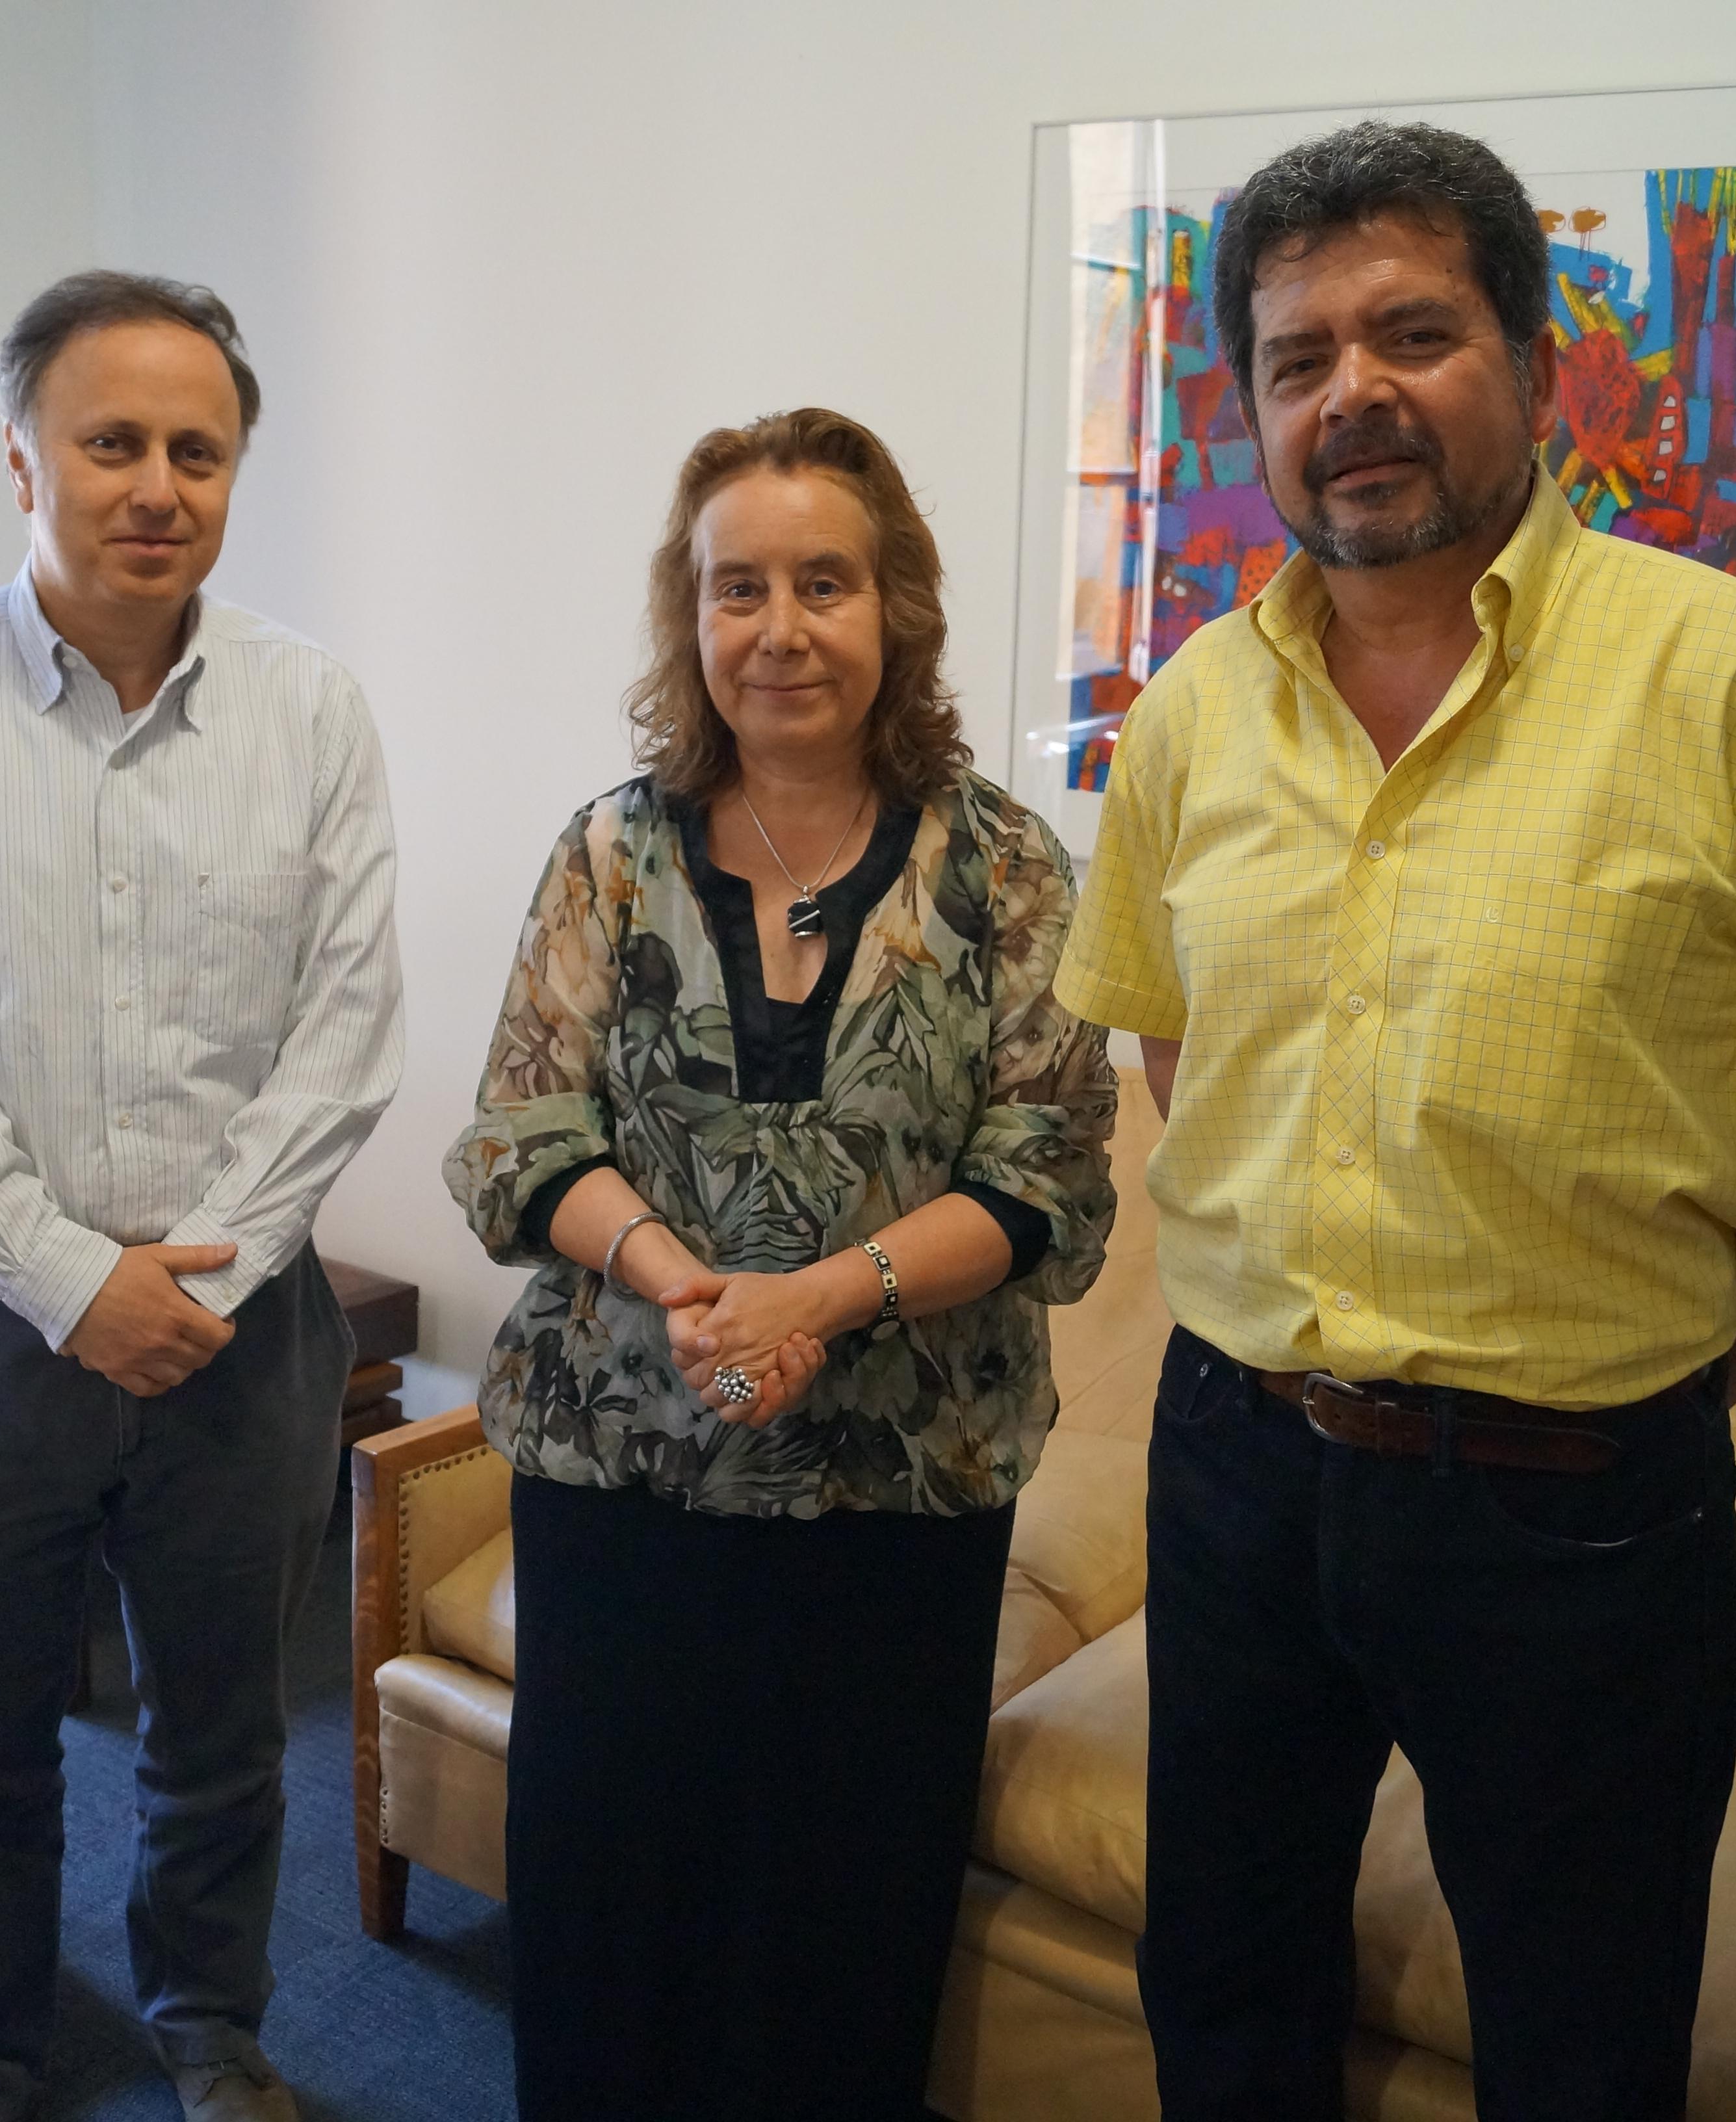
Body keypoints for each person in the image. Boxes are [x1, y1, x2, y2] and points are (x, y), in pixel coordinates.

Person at [1054, 123, 1736, 2121]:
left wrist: (1684, 1364)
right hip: (1237, 1463)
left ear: (1536, 358)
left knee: (1582, 2048)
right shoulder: (1186, 719)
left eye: (1414, 332)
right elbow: (1187, 1064)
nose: (1357, 395)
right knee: (1223, 1990)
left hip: (1581, 1514)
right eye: (1302, 356)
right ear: (1253, 409)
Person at [445, 406, 1118, 2122]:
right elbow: (523, 1142)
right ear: (692, 615)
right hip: (621, 1476)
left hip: (901, 1493)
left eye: (826, 582)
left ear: (896, 607)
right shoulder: (611, 852)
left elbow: (1045, 1180)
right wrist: (684, 1281)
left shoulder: (1010, 871)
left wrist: (820, 1297)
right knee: (607, 1914)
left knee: (841, 1927)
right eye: (737, 586)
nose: (781, 627)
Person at [0, 270, 401, 2122]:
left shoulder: (309, 710)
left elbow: (349, 1021)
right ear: (21, 456)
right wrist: (74, 1282)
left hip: (244, 1324)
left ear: (233, 476)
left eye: (196, 450)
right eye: (112, 441)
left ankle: (209, 2026)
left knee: (222, 1733)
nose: (157, 484)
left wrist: (199, 1282)